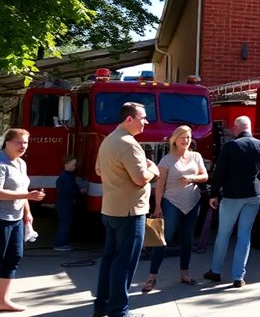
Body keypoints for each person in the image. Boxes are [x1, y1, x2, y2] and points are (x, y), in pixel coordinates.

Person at [94, 102, 160, 317]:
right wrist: (154, 170)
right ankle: (119, 311)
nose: (146, 122)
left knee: (110, 260)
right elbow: (140, 179)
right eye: (143, 118)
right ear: (129, 119)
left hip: (111, 210)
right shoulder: (128, 144)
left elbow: (98, 170)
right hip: (130, 212)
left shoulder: (109, 139)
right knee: (125, 262)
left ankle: (102, 306)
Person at [205, 115, 260, 288]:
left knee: (224, 233)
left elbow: (220, 172)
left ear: (237, 128)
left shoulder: (230, 146)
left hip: (232, 195)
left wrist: (213, 194)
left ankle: (216, 271)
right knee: (244, 235)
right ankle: (238, 276)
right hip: (254, 195)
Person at [142, 126, 208, 293]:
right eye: (182, 137)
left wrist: (192, 178)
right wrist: (157, 205)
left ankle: (184, 274)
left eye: (188, 137)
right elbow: (159, 185)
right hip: (171, 202)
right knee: (165, 238)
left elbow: (205, 176)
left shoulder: (196, 156)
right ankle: (151, 277)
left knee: (187, 239)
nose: (186, 140)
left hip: (192, 202)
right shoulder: (166, 160)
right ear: (175, 140)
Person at [0, 129, 44, 311]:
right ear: (7, 142)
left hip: (16, 219)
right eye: (18, 142)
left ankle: (3, 301)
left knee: (14, 257)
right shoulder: (1, 163)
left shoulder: (21, 163)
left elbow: (23, 190)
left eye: (25, 143)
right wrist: (27, 196)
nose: (23, 146)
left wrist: (28, 212)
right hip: (2, 218)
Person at [53, 154, 81, 252]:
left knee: (63, 223)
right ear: (67, 164)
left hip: (62, 202)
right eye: (73, 165)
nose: (74, 167)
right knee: (65, 224)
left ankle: (60, 242)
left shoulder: (63, 176)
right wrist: (79, 191)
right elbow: (70, 191)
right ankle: (60, 244)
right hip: (65, 203)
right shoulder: (67, 177)